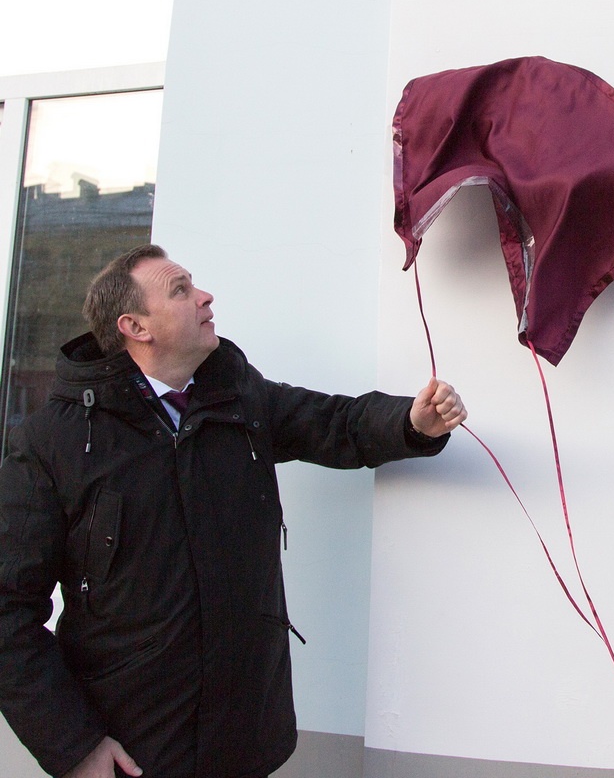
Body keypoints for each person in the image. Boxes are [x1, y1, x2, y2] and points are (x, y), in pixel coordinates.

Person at [0, 244, 467, 778]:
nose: (204, 296)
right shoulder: (50, 442)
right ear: (136, 326)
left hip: (247, 738)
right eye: (180, 290)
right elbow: (7, 612)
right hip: (132, 751)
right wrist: (75, 746)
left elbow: (333, 422)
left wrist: (411, 421)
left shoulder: (236, 396)